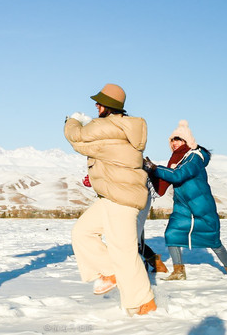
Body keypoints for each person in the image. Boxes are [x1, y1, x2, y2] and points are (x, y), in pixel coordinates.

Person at [64, 83, 156, 316]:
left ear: (110, 106)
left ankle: (144, 302)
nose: (96, 105)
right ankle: (109, 271)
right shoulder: (121, 127)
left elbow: (77, 139)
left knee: (123, 252)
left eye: (100, 102)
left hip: (122, 198)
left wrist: (72, 120)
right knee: (82, 232)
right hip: (111, 195)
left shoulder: (108, 127)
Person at [144, 120, 227, 280]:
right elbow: (170, 175)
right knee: (172, 233)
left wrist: (155, 168)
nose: (174, 143)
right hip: (183, 206)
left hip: (201, 206)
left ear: (187, 141)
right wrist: (153, 171)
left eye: (178, 139)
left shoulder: (194, 157)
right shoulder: (176, 159)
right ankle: (179, 271)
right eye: (172, 140)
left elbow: (178, 175)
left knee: (213, 240)